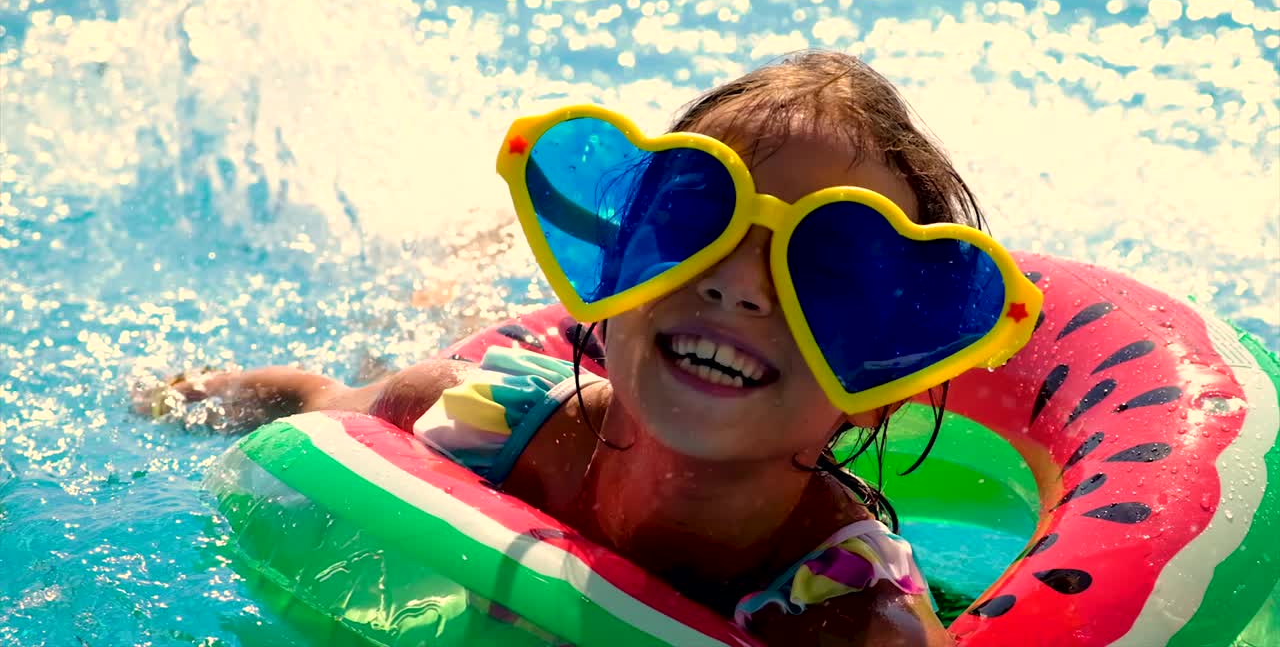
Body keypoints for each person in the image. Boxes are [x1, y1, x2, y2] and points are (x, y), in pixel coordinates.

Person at [140, 51, 1035, 646]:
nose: (740, 286)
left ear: (878, 386)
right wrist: (178, 396)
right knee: (416, 323)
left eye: (827, 272)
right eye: (697, 222)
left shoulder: (857, 621)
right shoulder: (474, 421)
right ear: (611, 284)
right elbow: (313, 403)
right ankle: (469, 253)